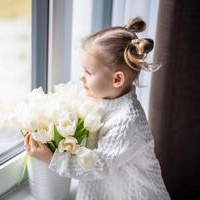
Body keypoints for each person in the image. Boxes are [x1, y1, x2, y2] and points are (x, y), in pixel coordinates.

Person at [24, 17, 171, 200]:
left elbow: (97, 166)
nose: (81, 78)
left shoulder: (126, 120)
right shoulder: (103, 98)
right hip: (105, 189)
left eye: (88, 72)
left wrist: (52, 158)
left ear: (117, 80)